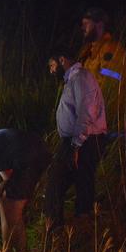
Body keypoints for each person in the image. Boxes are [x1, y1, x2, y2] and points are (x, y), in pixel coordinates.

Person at [46, 48, 107, 234]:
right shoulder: (72, 80)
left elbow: (86, 113)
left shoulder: (81, 77)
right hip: (76, 140)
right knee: (64, 181)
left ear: (62, 59)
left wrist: (76, 145)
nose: (51, 70)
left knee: (75, 182)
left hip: (86, 140)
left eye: (52, 65)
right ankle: (61, 229)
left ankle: (79, 228)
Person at [78, 8, 126, 125]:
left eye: (86, 24)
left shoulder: (111, 49)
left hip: (104, 119)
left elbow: (111, 84)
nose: (82, 28)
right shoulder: (88, 51)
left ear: (99, 25)